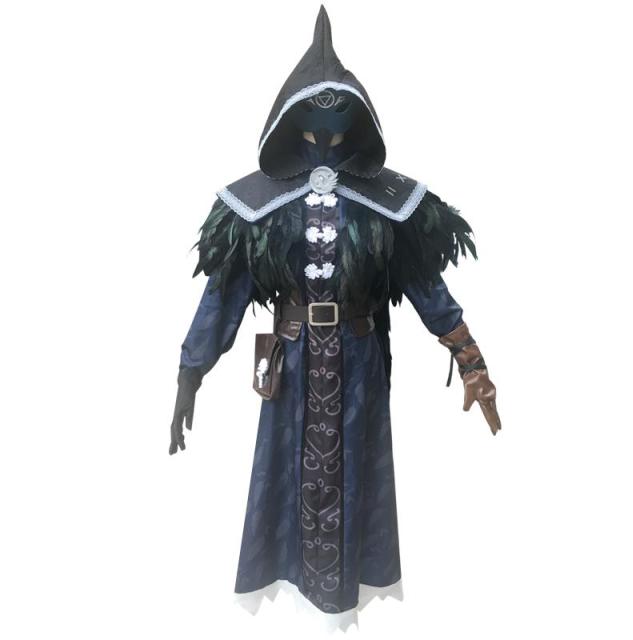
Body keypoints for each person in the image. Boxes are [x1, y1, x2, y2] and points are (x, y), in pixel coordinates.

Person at [169, 5, 500, 631]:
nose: (326, 120)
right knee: (288, 479)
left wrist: (471, 360)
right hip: (291, 365)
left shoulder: (388, 201)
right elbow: (224, 293)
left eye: (339, 108)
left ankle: (341, 612)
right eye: (313, 109)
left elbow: (428, 288)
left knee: (354, 480)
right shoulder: (260, 202)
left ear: (359, 113)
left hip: (358, 367)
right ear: (290, 113)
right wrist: (191, 372)